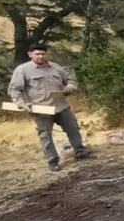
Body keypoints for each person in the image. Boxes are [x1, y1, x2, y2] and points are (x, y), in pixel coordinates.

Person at [8, 43, 93, 171]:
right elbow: (14, 90)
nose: (41, 57)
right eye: (37, 54)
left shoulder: (56, 67)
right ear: (30, 54)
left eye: (43, 54)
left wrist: (70, 88)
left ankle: (80, 153)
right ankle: (53, 161)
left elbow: (70, 79)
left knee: (73, 129)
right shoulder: (22, 70)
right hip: (41, 109)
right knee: (45, 136)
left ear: (47, 54)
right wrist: (22, 104)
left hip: (61, 106)